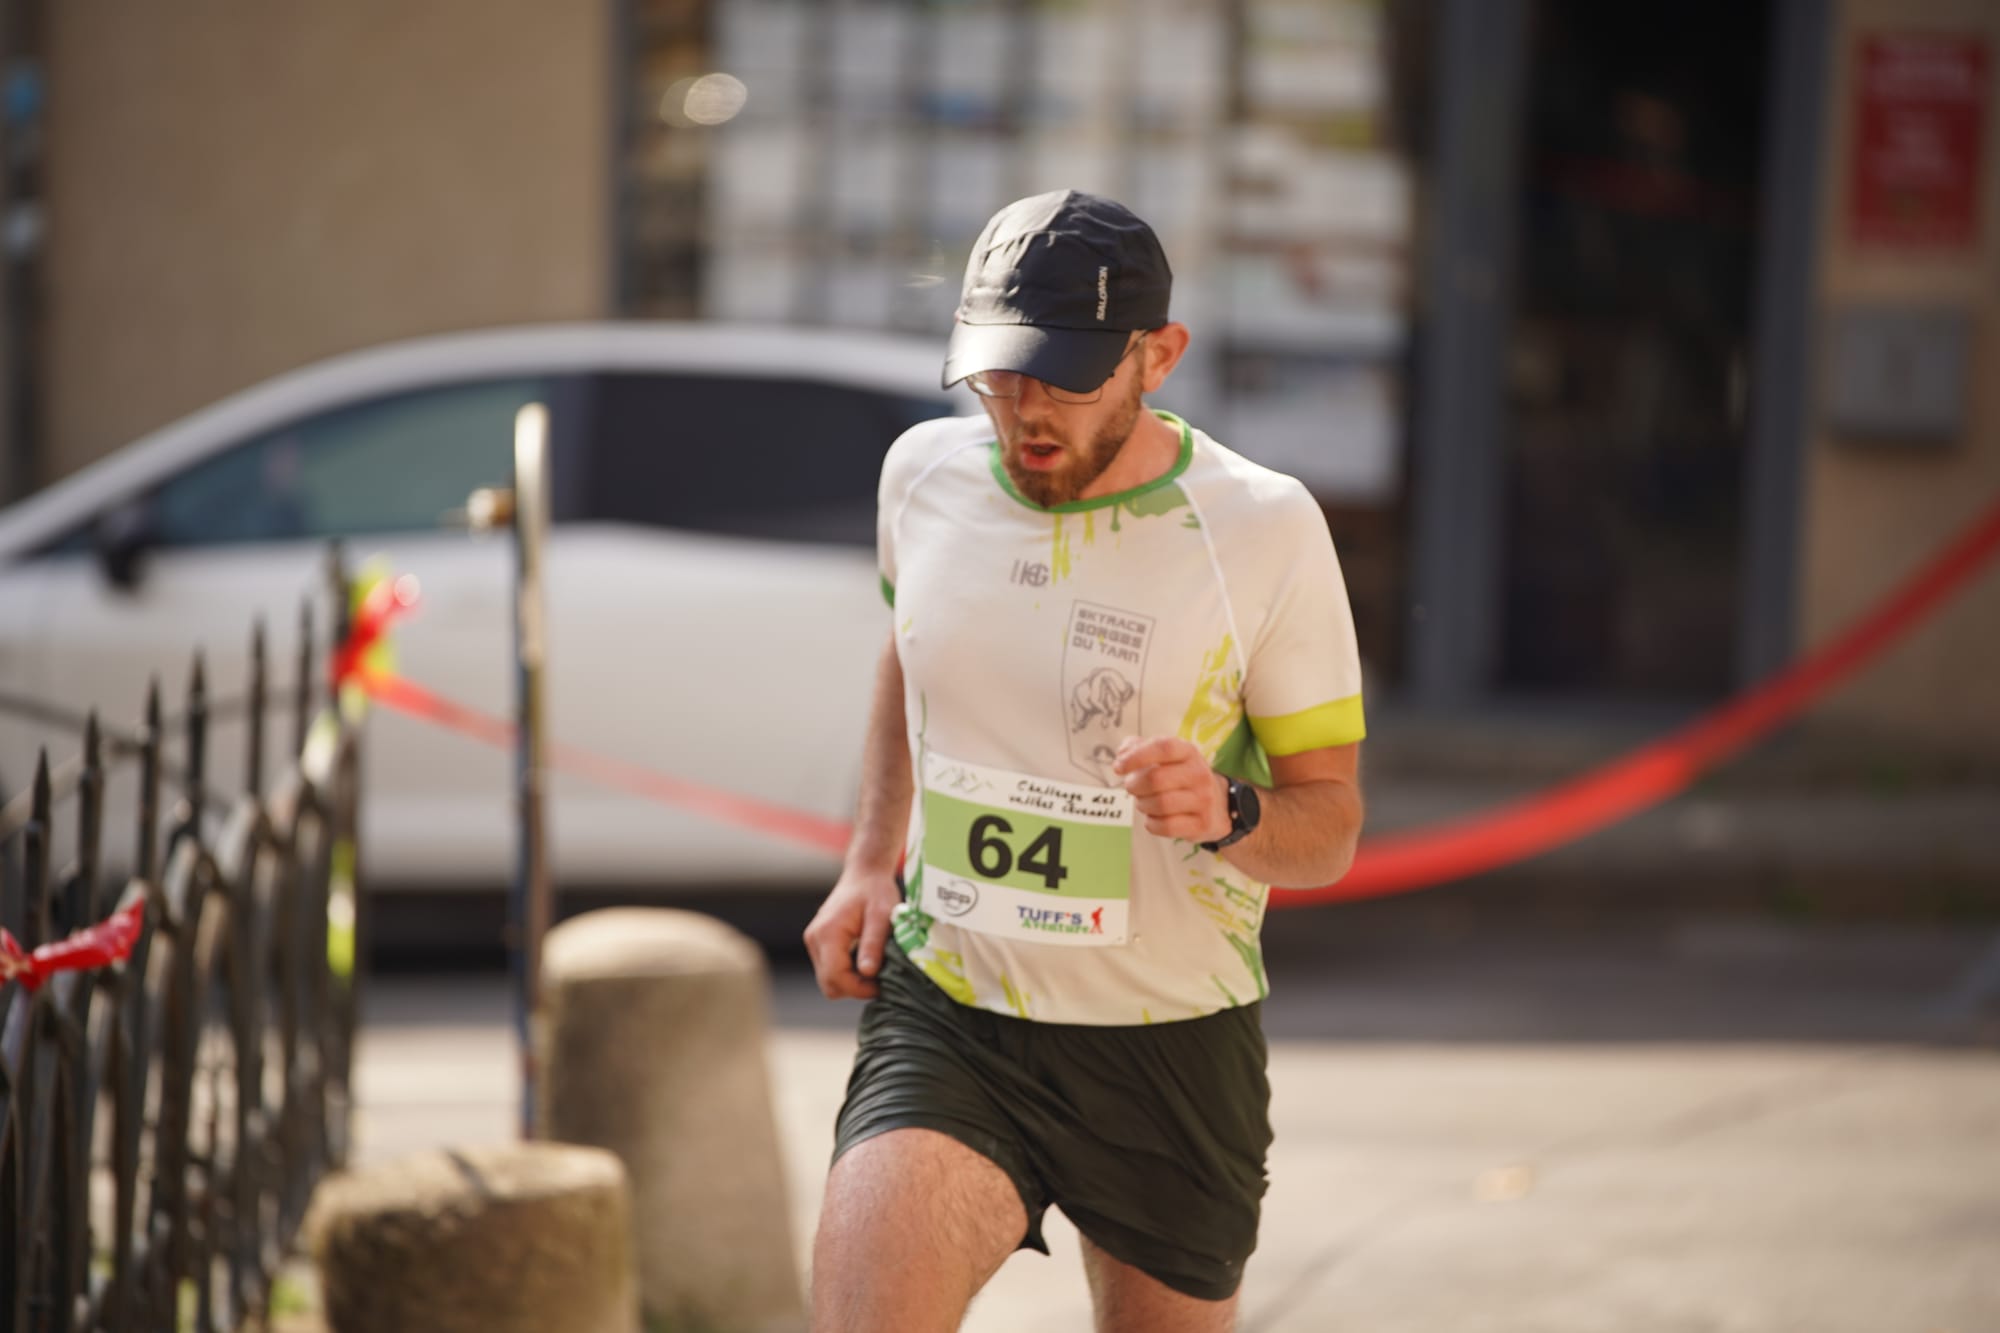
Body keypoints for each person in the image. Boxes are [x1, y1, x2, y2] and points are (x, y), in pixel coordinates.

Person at [803, 189, 1367, 1333]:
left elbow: (1330, 828)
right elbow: (912, 648)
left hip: (1167, 1045)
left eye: (1064, 377)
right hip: (951, 1006)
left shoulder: (1261, 527)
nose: (1026, 412)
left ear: (1157, 355)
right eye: (1001, 375)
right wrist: (870, 856)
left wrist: (1227, 808)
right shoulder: (923, 476)